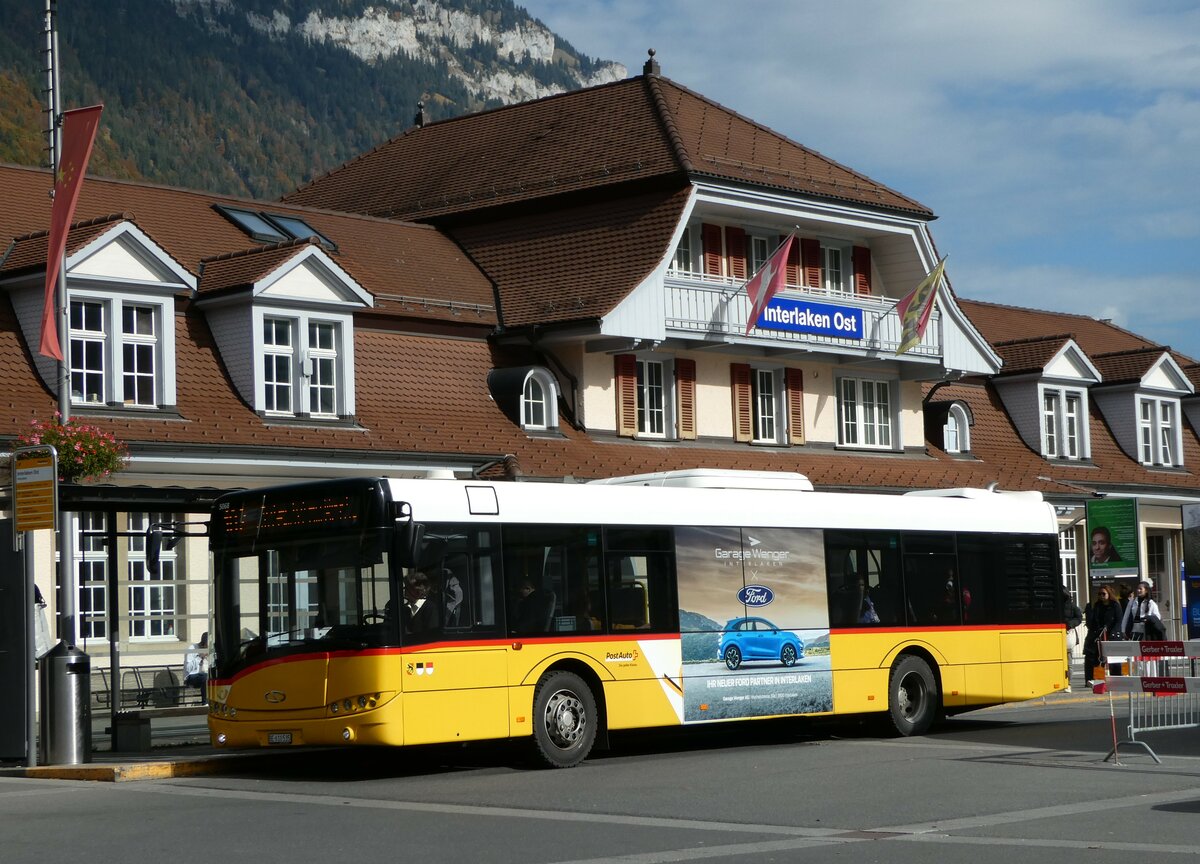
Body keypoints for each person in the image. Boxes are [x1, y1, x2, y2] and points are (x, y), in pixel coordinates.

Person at [1082, 586, 1121, 684]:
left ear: (1109, 594)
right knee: (1090, 656)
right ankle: (1089, 679)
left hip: (1111, 634)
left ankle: (1116, 679)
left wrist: (1113, 632)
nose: (1101, 596)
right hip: (1097, 633)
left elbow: (1118, 620)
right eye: (1099, 594)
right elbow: (1093, 621)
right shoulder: (1097, 605)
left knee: (1113, 657)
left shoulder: (1115, 605)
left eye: (1103, 594)